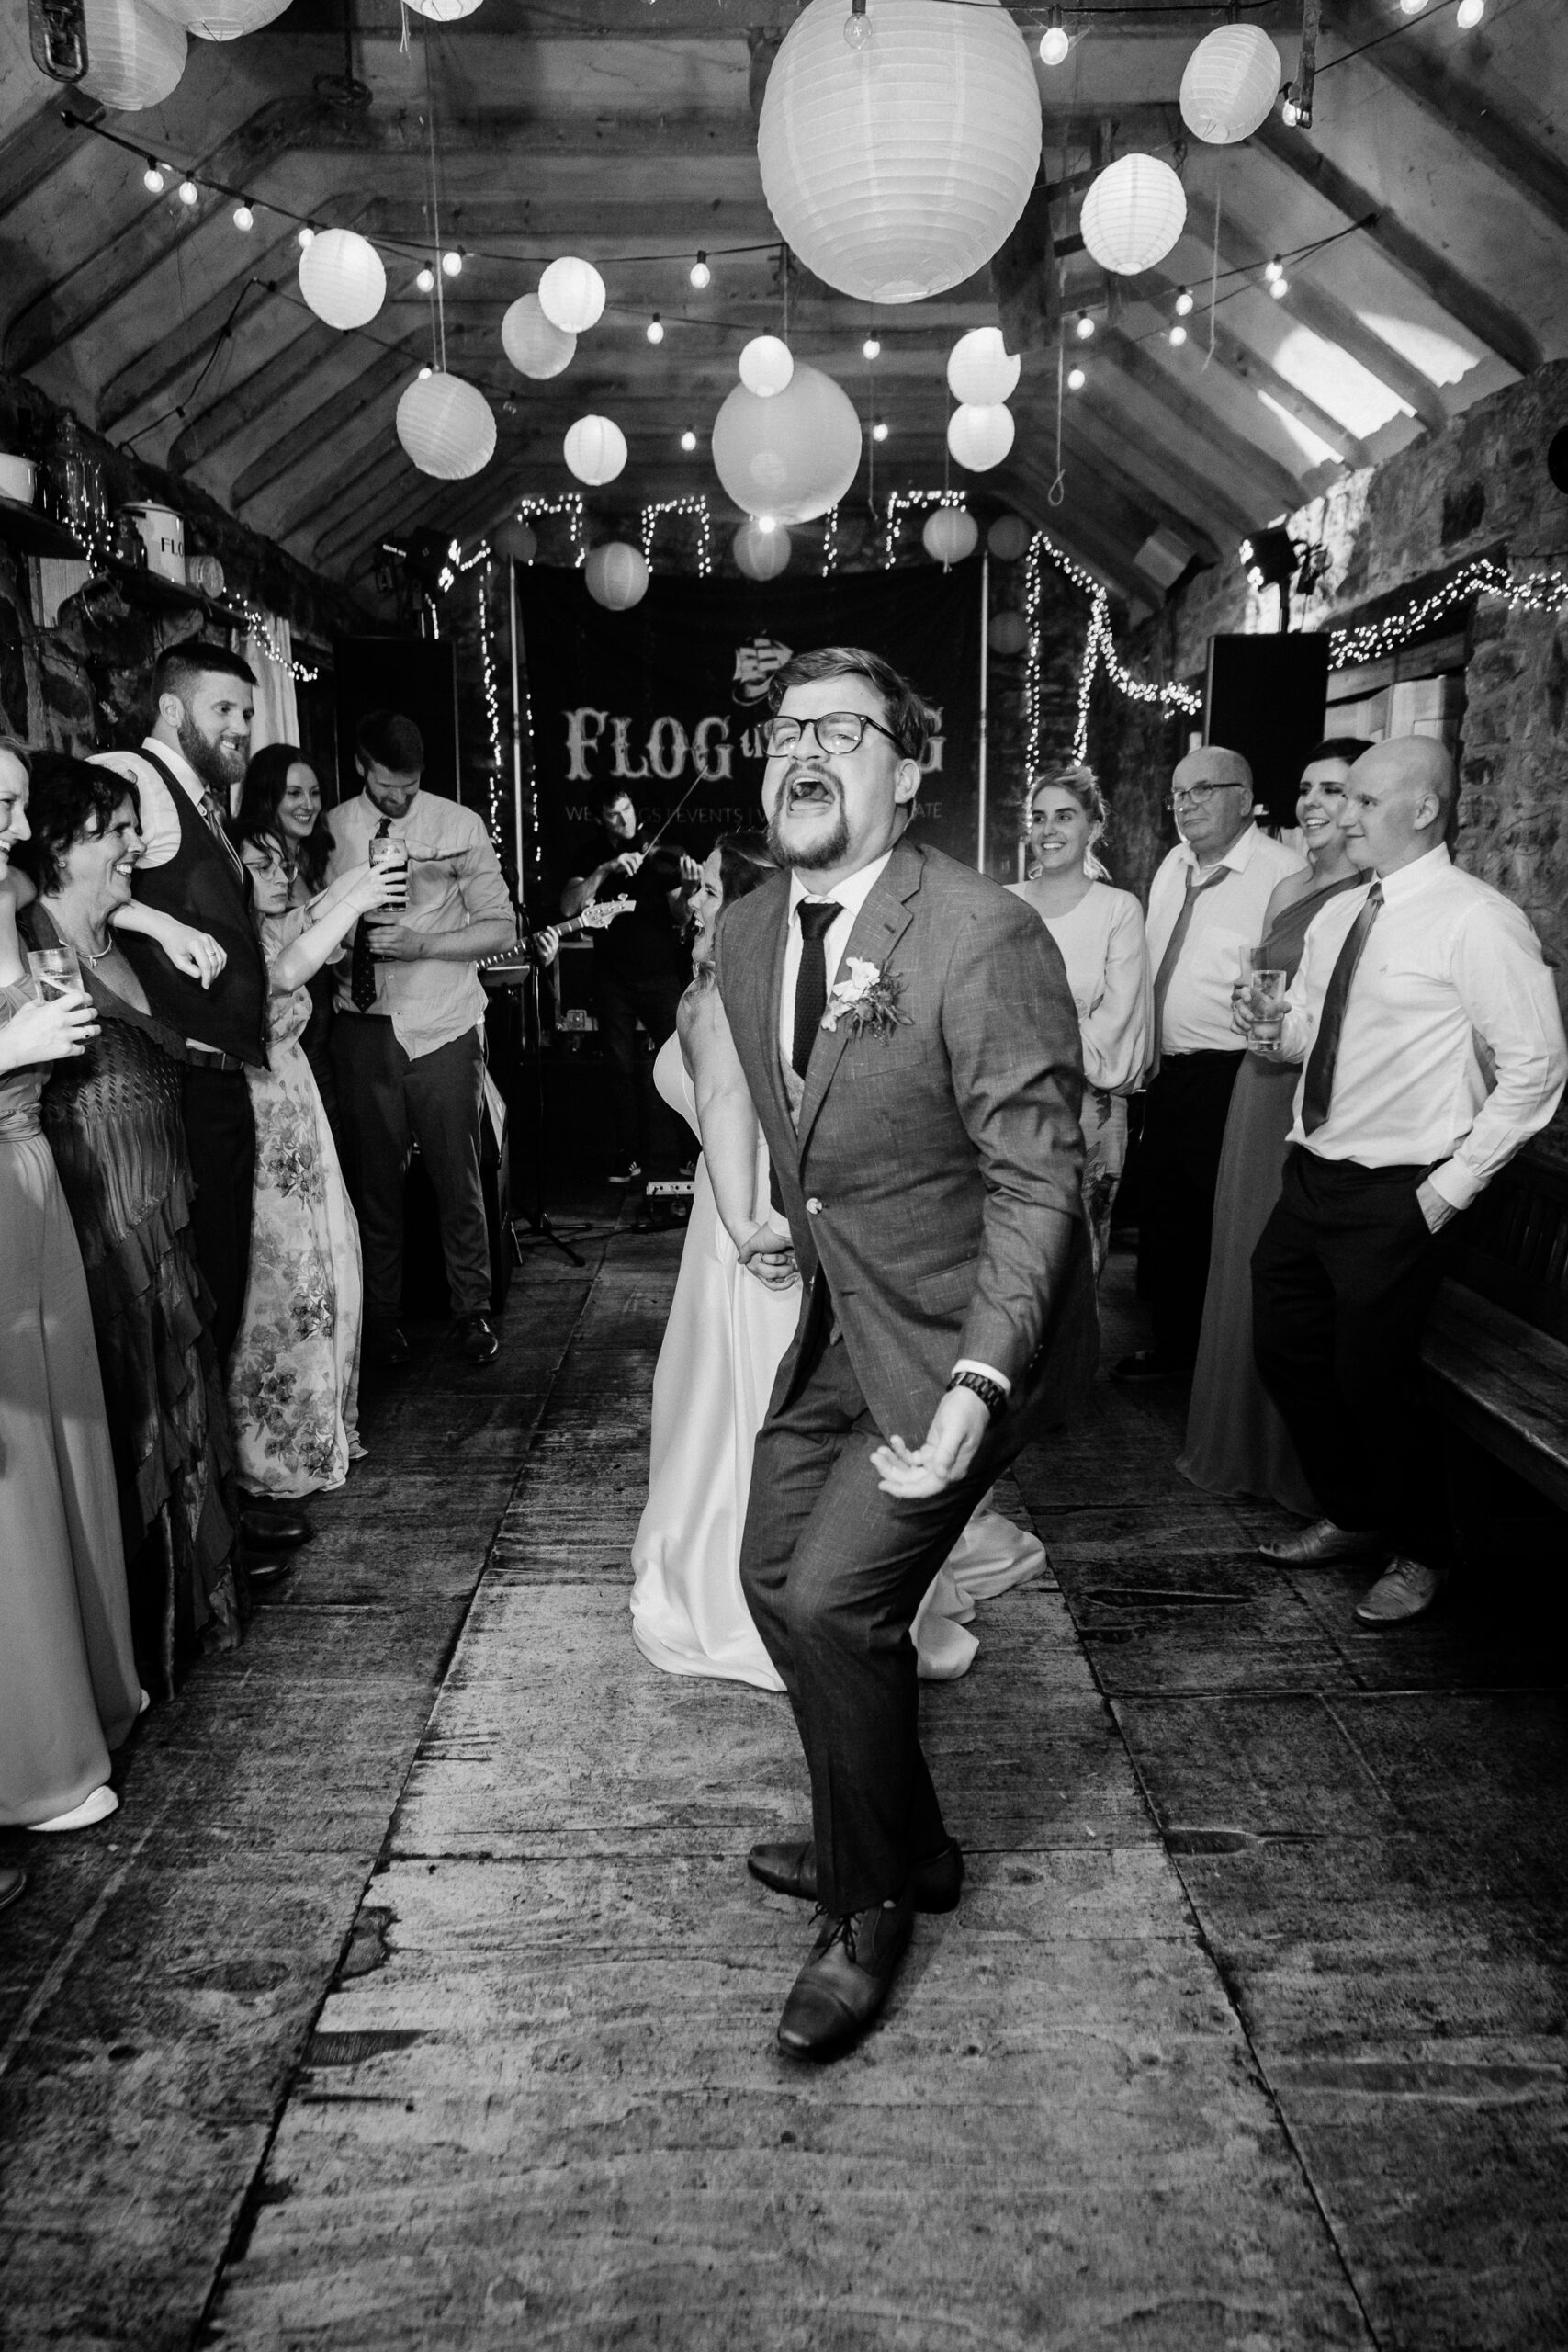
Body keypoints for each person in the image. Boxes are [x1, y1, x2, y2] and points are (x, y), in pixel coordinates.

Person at [715, 647, 1096, 2062]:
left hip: (965, 1338)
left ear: (909, 766)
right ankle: (906, 1838)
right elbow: (776, 1109)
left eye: (843, 731)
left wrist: (976, 1387)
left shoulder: (978, 935)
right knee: (763, 1570)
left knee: (829, 1602)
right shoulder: (747, 929)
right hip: (842, 1321)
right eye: (782, 730)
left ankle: (867, 1907)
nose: (803, 751)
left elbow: (1038, 1187)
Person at [630, 835, 1047, 1688]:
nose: (695, 901)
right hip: (779, 1215)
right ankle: (830, 1573)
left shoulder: (714, 995)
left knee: (748, 1409)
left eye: (708, 885)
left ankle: (778, 1585)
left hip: (746, 1228)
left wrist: (750, 1228)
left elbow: (723, 1109)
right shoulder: (758, 987)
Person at [1243, 738, 1566, 1626]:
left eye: (1363, 802)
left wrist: (1449, 1187)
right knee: (1284, 1347)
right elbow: (1310, 1029)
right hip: (1312, 1172)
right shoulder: (1343, 912)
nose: (1343, 816)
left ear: (1422, 810)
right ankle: (1354, 1512)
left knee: (1372, 1376)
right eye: (1341, 801)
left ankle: (1424, 1549)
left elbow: (1535, 1067)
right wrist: (1276, 1033)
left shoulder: (1476, 919)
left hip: (1400, 1190)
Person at [16, 753, 246, 1686]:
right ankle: (135, 1646)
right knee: (136, 1411)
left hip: (165, 1200)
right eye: (114, 830)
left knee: (187, 1391)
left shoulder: (127, 933)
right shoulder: (30, 942)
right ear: (62, 843)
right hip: (103, 1212)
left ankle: (192, 1614)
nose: (133, 846)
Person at [90, 642, 310, 1567]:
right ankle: (203, 1524)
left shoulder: (199, 800)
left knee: (214, 1290)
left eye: (247, 714)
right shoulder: (130, 773)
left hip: (217, 1080)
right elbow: (60, 867)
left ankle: (219, 1502)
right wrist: (152, 919)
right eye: (226, 709)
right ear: (174, 711)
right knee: (198, 1295)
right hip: (176, 1084)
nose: (241, 729)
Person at [0, 743, 141, 1833]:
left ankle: (85, 1688)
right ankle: (31, 1752)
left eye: (14, 802)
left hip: (30, 1170)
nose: (13, 823)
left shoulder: (6, 896)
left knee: (65, 1442)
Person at [1179, 740, 1372, 1514]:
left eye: (1335, 790)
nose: (1314, 803)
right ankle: (1239, 1442)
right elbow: (1268, 982)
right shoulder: (1290, 883)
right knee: (1238, 1263)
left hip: (1316, 1096)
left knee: (1290, 1281)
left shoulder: (1371, 890)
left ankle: (1300, 1461)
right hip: (1258, 1082)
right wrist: (1246, 1005)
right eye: (1306, 788)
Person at [324, 710, 517, 1370]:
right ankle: (381, 1322)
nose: (400, 798)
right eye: (386, 785)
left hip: (442, 1025)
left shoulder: (458, 825)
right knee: (373, 1187)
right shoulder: (329, 831)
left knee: (456, 1181)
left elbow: (500, 929)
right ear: (360, 766)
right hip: (361, 1027)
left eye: (409, 786)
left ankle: (472, 1313)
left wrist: (423, 943)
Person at [1114, 744, 1306, 1381]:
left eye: (1201, 790)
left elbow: (1291, 986)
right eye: (1177, 794)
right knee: (1166, 1219)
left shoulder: (1282, 873)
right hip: (1164, 1072)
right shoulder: (1172, 865)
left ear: (1243, 796)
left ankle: (1220, 1370)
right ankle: (1174, 1353)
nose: (1185, 804)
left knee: (1218, 1220)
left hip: (1232, 1076)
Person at [228, 823, 397, 1502]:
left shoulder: (272, 923)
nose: (278, 873)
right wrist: (360, 897)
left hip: (299, 1105)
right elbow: (289, 970)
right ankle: (279, 1448)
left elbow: (312, 910)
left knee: (333, 1265)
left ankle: (324, 1424)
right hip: (265, 1116)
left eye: (283, 862)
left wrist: (361, 883)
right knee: (290, 1279)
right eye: (260, 865)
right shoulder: (242, 943)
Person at [1006, 764, 1151, 1276]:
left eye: (1064, 817)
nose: (1048, 831)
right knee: (1014, 1252)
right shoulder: (1002, 904)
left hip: (1090, 1108)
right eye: (1038, 818)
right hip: (1007, 1104)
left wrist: (1039, 1050)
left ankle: (1076, 1358)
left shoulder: (1118, 910)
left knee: (1080, 1254)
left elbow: (1118, 1016)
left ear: (1093, 826)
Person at [561, 786, 694, 1190]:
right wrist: (605, 870)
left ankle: (692, 1150)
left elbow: (681, 915)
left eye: (628, 810)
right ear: (601, 819)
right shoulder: (589, 855)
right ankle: (629, 1154)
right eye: (614, 815)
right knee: (617, 1068)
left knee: (678, 1061)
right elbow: (569, 906)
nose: (625, 821)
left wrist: (688, 889)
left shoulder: (657, 855)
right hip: (612, 977)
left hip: (659, 975)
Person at [236, 744, 338, 1129]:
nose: (308, 804)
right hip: (281, 1056)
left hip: (322, 1045)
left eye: (314, 793)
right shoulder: (252, 887)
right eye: (294, 793)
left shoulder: (311, 865)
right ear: (267, 797)